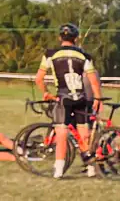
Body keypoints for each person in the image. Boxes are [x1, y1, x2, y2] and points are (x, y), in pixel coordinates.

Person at [35, 24, 102, 178]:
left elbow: (39, 79)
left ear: (60, 38)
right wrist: (98, 97)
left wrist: (46, 92)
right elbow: (93, 80)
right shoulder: (84, 55)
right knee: (84, 133)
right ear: (76, 39)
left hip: (63, 97)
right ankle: (90, 167)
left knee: (61, 133)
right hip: (81, 98)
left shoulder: (50, 54)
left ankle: (58, 170)